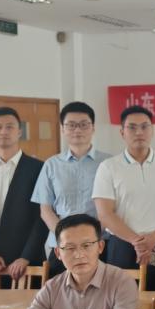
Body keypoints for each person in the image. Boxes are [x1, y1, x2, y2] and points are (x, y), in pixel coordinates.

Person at [14, 214, 139, 309]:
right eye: (70, 248)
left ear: (100, 247)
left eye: (86, 245)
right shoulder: (51, 288)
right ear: (58, 253)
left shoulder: (122, 282)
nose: (79, 255)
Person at [92, 106, 155, 290]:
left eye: (144, 126)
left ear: (152, 130)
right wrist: (138, 242)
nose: (139, 132)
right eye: (132, 127)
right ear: (122, 132)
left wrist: (154, 238)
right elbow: (105, 214)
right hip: (122, 246)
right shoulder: (108, 167)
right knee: (121, 299)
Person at [0, 107, 48, 289]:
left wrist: (25, 257)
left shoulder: (38, 168)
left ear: (19, 132)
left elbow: (41, 218)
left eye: (10, 127)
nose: (4, 131)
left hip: (28, 266)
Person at [32, 101, 112, 277]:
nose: (77, 130)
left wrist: (92, 238)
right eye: (71, 125)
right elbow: (45, 210)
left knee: (101, 292)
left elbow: (113, 208)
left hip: (100, 245)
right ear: (62, 129)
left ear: (93, 128)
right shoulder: (51, 165)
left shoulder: (109, 163)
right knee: (60, 292)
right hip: (63, 248)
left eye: (84, 124)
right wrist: (66, 236)